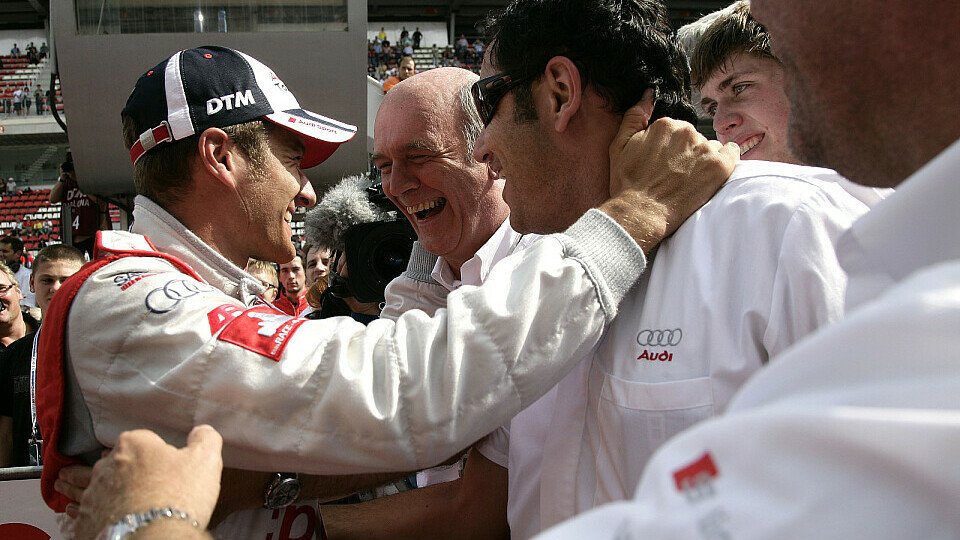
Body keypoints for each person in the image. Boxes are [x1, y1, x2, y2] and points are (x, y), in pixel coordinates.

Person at [38, 43, 733, 520]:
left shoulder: (169, 296)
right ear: (221, 156)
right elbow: (396, 395)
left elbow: (383, 420)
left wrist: (253, 489)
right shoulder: (134, 303)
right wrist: (630, 219)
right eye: (292, 157)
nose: (309, 193)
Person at [0, 245, 85, 467]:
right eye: (46, 280)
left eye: (65, 280)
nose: (56, 288)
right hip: (24, 481)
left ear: (84, 282)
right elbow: (5, 435)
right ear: (31, 283)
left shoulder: (100, 347)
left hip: (84, 478)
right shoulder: (14, 355)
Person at [49, 151, 109, 258]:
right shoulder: (65, 183)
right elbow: (52, 199)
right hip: (71, 235)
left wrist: (80, 181)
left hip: (91, 233)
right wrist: (62, 178)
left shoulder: (91, 181)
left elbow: (101, 202)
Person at [0, 235, 36, 308]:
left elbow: (28, 304)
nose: (1, 254)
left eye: (5, 251)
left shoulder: (26, 275)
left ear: (17, 254)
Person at [272, 252, 309, 316]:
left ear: (305, 272)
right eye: (285, 271)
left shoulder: (317, 305)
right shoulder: (272, 310)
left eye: (296, 269)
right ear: (279, 276)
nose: (291, 276)